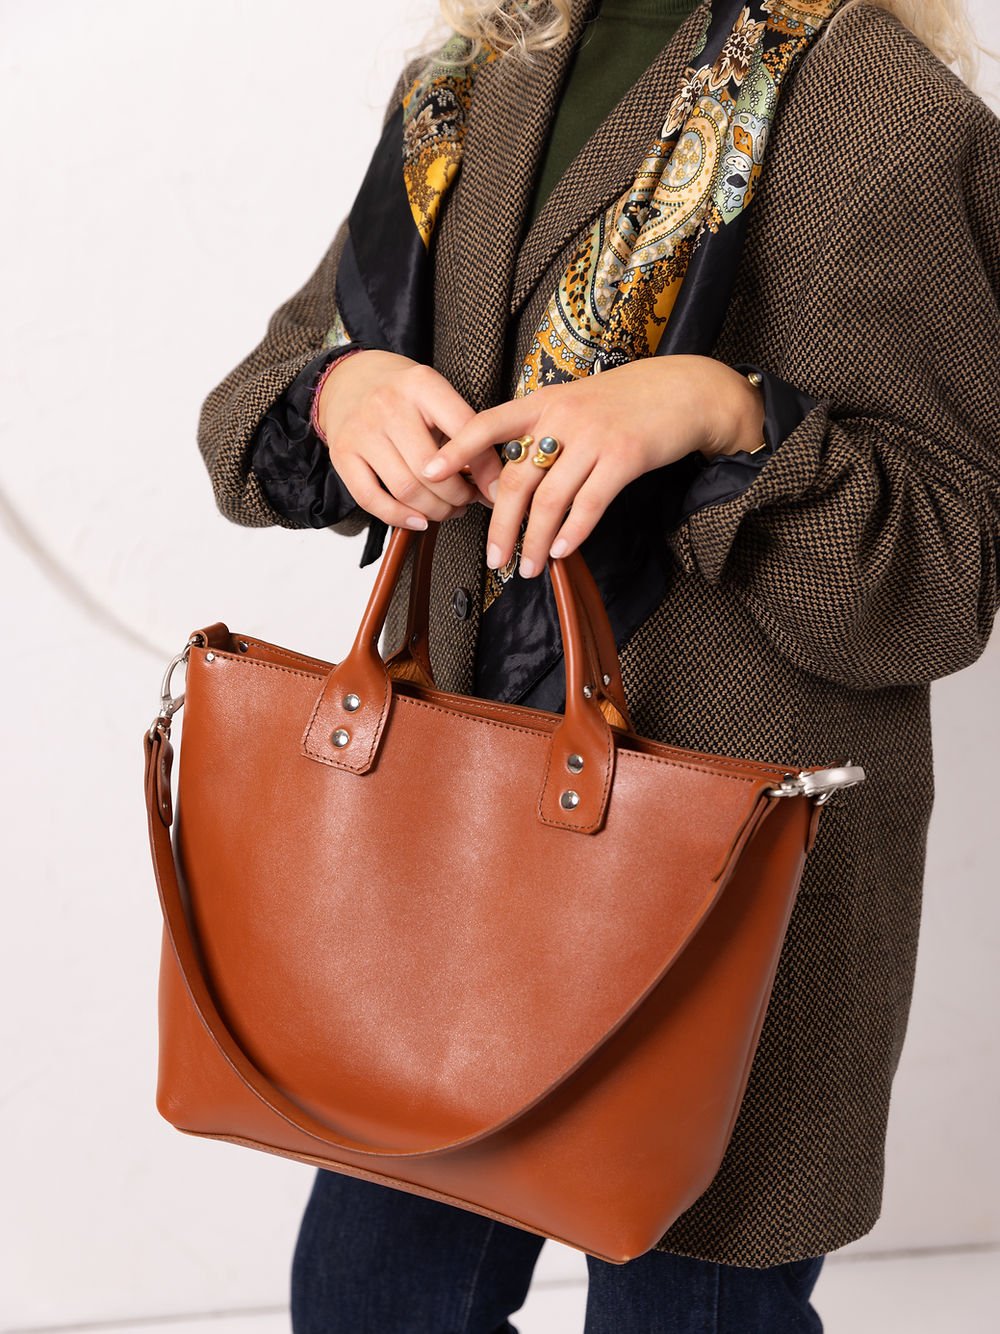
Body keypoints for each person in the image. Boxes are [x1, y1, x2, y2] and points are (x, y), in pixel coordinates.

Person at [196, 1, 1000, 1329]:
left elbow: (943, 577)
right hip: (445, 861)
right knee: (367, 1301)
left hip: (720, 909)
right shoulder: (472, 75)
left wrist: (722, 414)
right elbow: (266, 391)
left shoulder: (884, 116)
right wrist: (343, 400)